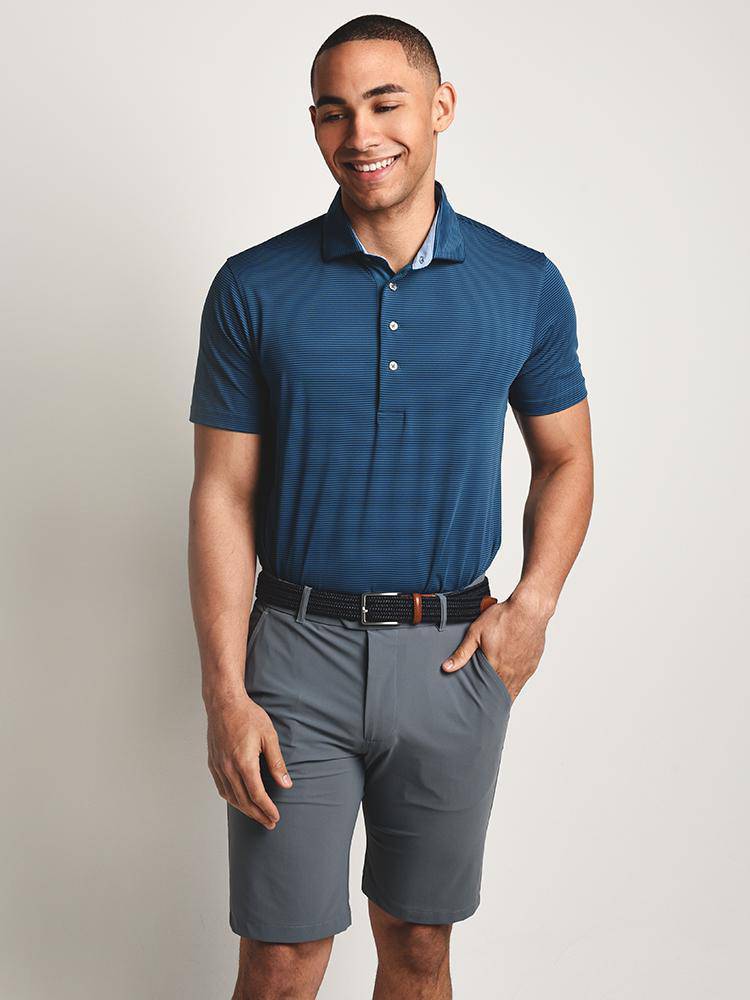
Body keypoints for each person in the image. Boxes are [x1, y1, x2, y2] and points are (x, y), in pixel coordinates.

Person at [187, 13, 593, 999]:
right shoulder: (253, 287)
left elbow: (567, 458)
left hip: (453, 656)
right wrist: (226, 693)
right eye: (333, 112)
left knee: (417, 945)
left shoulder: (524, 284)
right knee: (281, 958)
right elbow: (221, 492)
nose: (360, 134)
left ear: (440, 106)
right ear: (314, 126)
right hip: (294, 657)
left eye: (384, 103)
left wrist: (533, 606)